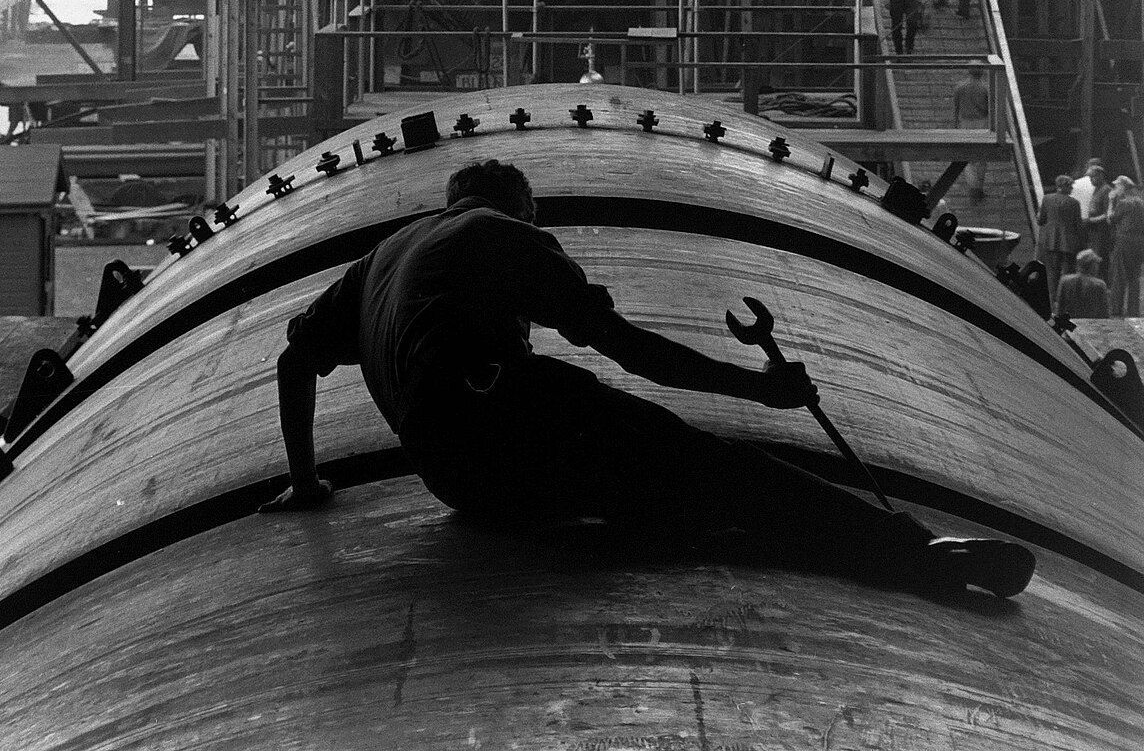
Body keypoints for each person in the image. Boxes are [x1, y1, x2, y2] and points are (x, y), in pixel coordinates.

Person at [262, 158, 1036, 600]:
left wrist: (307, 483)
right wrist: (758, 389)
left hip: (456, 479)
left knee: (664, 490)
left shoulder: (379, 261)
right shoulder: (503, 236)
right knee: (725, 472)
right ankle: (918, 555)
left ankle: (632, 526)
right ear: (516, 208)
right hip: (515, 416)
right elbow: (629, 350)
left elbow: (295, 360)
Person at [1036, 175, 1083, 299]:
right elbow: (1078, 224)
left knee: (1052, 271)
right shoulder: (1074, 203)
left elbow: (1041, 220)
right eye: (1070, 186)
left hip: (1050, 240)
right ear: (1064, 187)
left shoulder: (1047, 199)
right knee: (1068, 271)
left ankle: (1053, 298)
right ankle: (1067, 297)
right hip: (1068, 242)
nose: (1072, 189)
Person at [952, 60, 991, 202]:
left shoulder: (960, 87)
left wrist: (955, 123)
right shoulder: (986, 87)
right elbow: (990, 108)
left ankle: (973, 187)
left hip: (965, 123)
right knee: (981, 158)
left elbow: (956, 107)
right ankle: (979, 187)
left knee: (967, 158)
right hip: (982, 123)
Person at [1109, 179, 1144, 316]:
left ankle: (1116, 310)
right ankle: (1133, 311)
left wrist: (1111, 202)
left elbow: (1110, 219)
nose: (1115, 188)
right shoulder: (1141, 203)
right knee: (1134, 277)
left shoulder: (1123, 203)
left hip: (1124, 241)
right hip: (1140, 242)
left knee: (1119, 275)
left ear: (1123, 187)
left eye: (1117, 185)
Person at [1054, 249, 1110, 320]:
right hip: (1090, 325)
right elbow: (1104, 313)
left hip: (1069, 324)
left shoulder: (1065, 281)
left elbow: (1059, 308)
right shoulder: (1100, 285)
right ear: (1091, 265)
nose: (1097, 267)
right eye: (1096, 264)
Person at [1085, 166, 1113, 270]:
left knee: (1101, 258)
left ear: (1101, 176)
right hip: (1094, 231)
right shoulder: (1096, 190)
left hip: (1102, 232)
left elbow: (1108, 214)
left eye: (1093, 177)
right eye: (1090, 178)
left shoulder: (1107, 190)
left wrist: (1090, 220)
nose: (1091, 180)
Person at [1071, 158, 1105, 226]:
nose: (1091, 179)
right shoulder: (1100, 188)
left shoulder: (1075, 184)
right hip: (1092, 224)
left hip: (1083, 223)